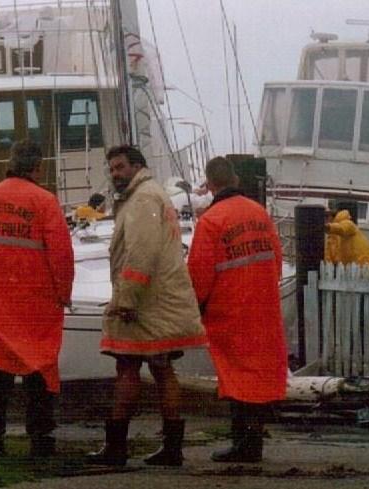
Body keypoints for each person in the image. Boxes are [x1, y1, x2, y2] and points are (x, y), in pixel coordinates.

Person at [86, 145, 207, 467]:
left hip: (145, 301)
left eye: (120, 167)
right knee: (162, 367)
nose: (115, 174)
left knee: (127, 367)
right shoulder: (150, 194)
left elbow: (142, 252)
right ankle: (171, 447)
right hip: (159, 298)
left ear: (136, 166)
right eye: (111, 169)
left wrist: (126, 298)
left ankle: (117, 447)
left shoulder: (141, 199)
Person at [0, 140, 74, 458]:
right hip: (35, 302)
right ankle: (40, 439)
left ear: (10, 164)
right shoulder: (44, 201)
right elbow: (61, 255)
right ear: (37, 167)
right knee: (38, 369)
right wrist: (63, 293)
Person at [187, 157, 288, 463]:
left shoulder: (211, 220)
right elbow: (277, 259)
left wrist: (198, 306)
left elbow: (199, 273)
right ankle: (253, 441)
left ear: (211, 185)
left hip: (229, 308)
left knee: (235, 377)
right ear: (236, 180)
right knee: (257, 375)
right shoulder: (259, 213)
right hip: (263, 306)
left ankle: (243, 443)